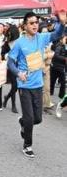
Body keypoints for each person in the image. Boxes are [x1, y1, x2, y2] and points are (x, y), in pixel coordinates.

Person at [7, 12, 66, 158]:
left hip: (38, 84)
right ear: (25, 25)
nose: (35, 25)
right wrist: (18, 73)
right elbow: (10, 62)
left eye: (36, 22)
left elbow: (57, 34)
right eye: (31, 23)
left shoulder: (41, 38)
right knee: (29, 118)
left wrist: (62, 23)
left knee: (37, 119)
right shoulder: (19, 43)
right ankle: (27, 145)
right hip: (24, 85)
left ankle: (23, 122)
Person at [50, 34, 66, 104]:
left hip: (60, 67)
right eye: (65, 39)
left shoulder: (64, 46)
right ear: (61, 40)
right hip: (56, 67)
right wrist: (65, 59)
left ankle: (61, 96)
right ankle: (51, 95)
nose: (66, 40)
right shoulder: (59, 46)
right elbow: (56, 55)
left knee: (62, 82)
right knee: (53, 81)